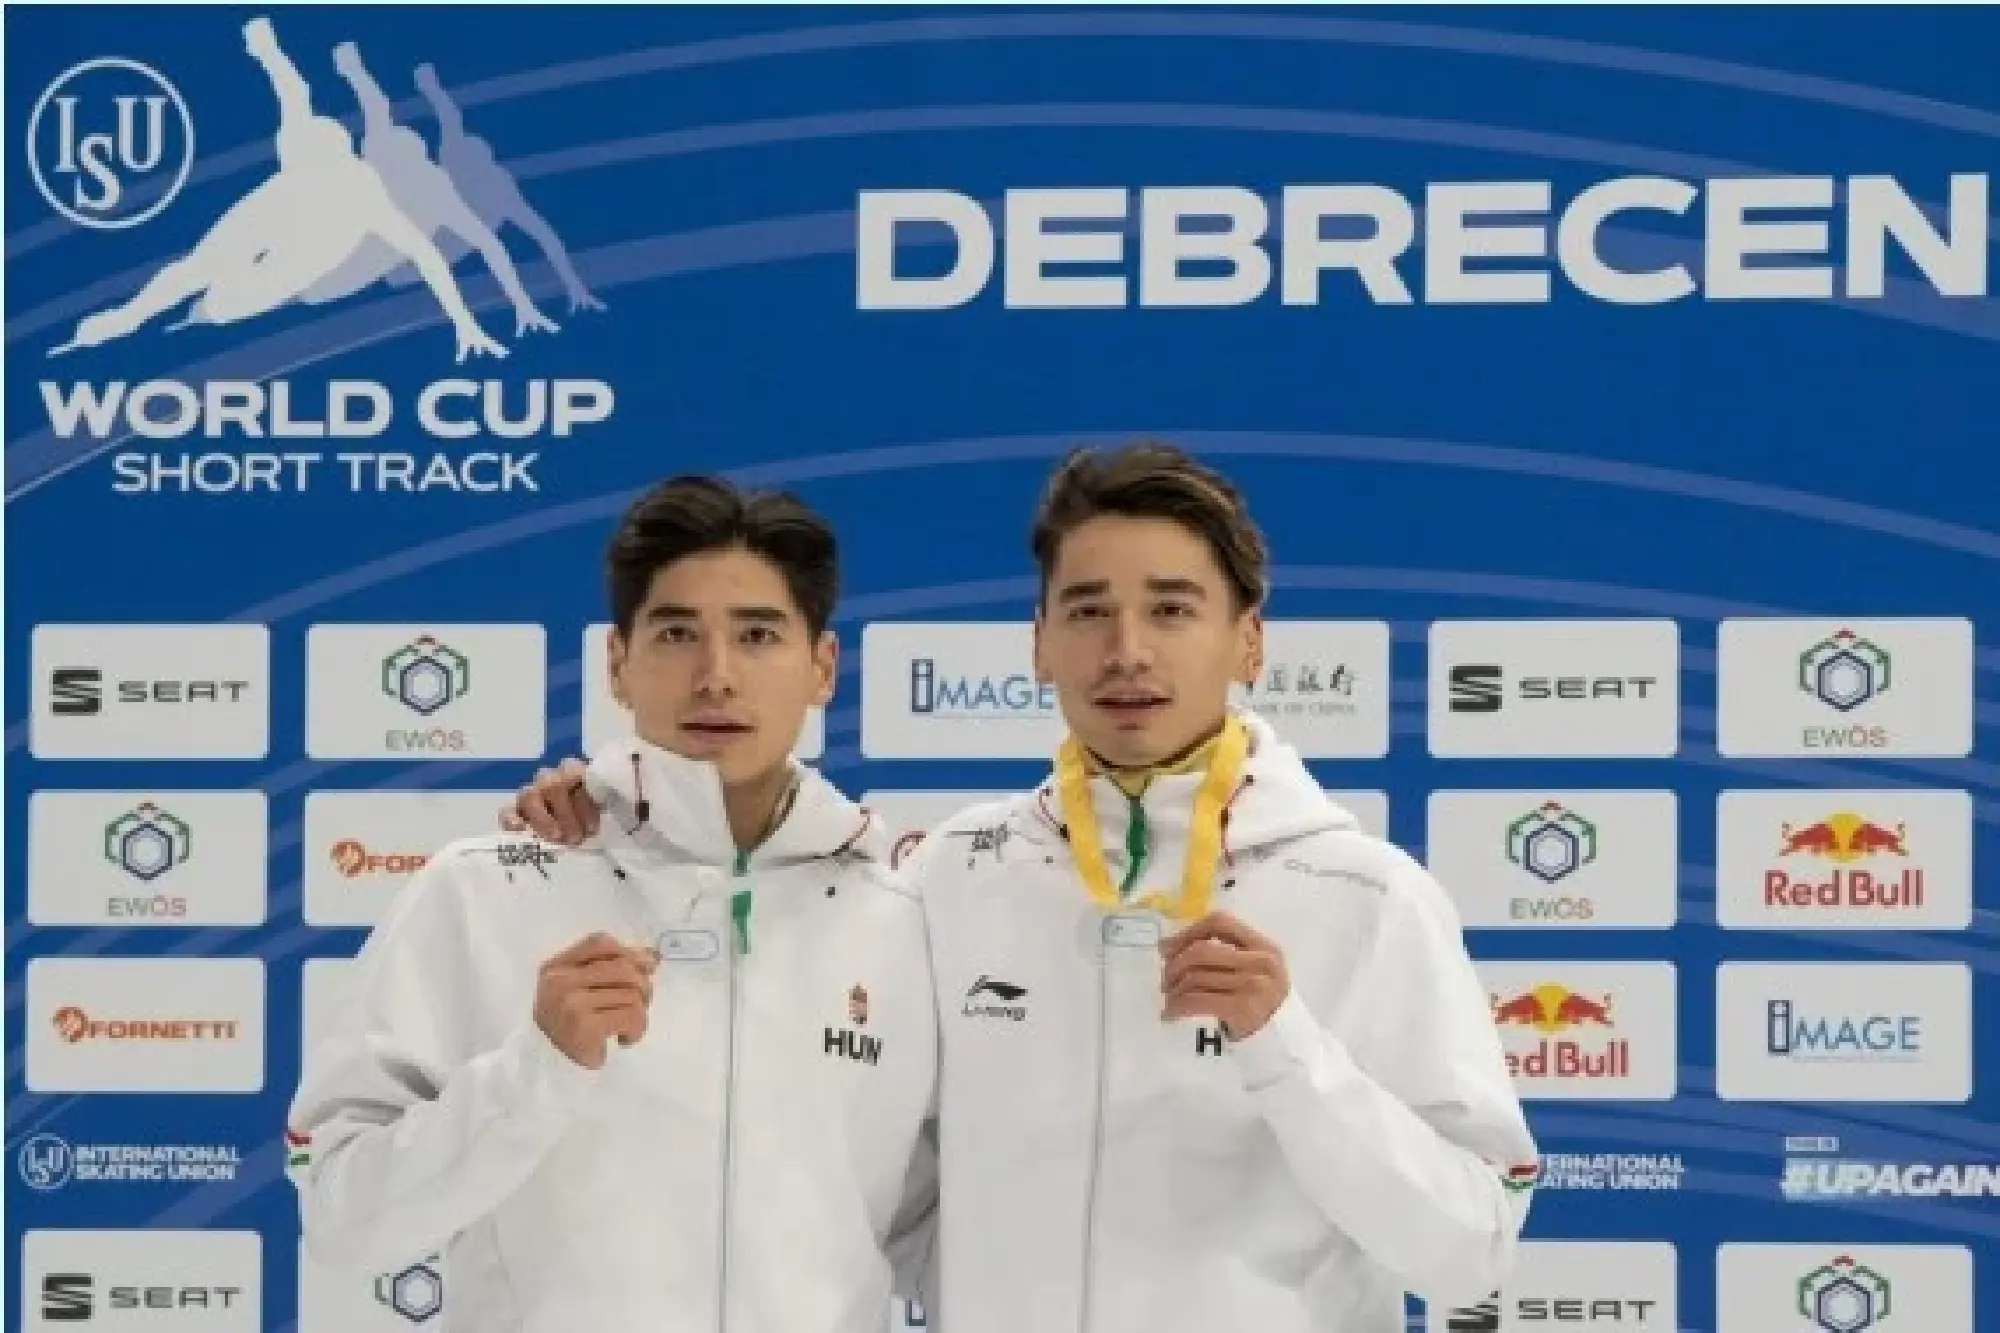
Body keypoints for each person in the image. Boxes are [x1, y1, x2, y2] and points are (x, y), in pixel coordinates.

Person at [506, 443, 1540, 1333]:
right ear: (1038, 644)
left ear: (1249, 639)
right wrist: (613, 811)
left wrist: (1286, 1049)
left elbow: (1470, 1249)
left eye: (1171, 609)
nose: (1126, 650)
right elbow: (852, 1170)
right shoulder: (944, 876)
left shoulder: (1363, 896)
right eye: (1087, 611)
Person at [288, 475, 939, 1333]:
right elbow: (342, 1218)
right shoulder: (487, 889)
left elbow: (943, 1235)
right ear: (619, 663)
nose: (716, 674)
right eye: (676, 632)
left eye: (758, 634)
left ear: (822, 667)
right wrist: (539, 1067)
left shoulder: (906, 917)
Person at [52, 15, 503, 362]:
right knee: (194, 270)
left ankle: (184, 320)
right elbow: (295, 93)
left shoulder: (365, 197)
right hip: (271, 211)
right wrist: (266, 48)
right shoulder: (308, 148)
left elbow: (426, 256)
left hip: (298, 255)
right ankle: (126, 322)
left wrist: (463, 322)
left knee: (221, 304)